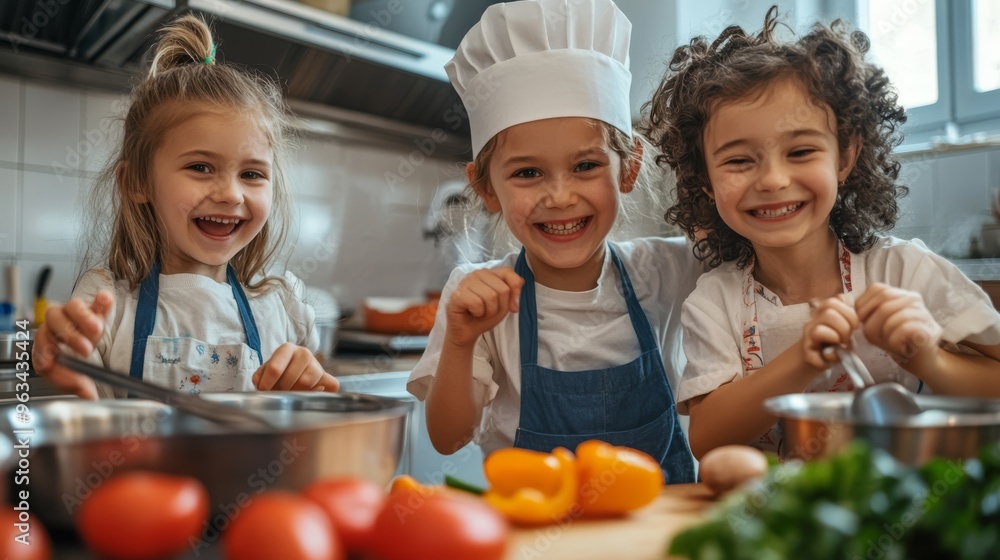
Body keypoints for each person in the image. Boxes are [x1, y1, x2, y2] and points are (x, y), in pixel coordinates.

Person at [640, 6, 1000, 459]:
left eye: (801, 151)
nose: (772, 180)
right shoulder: (715, 302)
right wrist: (803, 359)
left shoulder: (905, 272)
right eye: (738, 160)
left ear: (845, 157)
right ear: (706, 183)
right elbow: (708, 435)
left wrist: (929, 358)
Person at [407, 0, 701, 482]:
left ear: (627, 168)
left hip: (655, 535)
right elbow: (448, 438)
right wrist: (461, 342)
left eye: (586, 166)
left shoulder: (669, 270)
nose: (560, 196)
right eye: (527, 172)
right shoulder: (476, 296)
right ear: (486, 189)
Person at [32, 15, 339, 399]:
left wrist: (308, 385)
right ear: (137, 182)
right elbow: (75, 382)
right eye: (200, 167)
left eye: (252, 174)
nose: (231, 194)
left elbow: (307, 423)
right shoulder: (105, 306)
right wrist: (58, 351)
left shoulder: (284, 309)